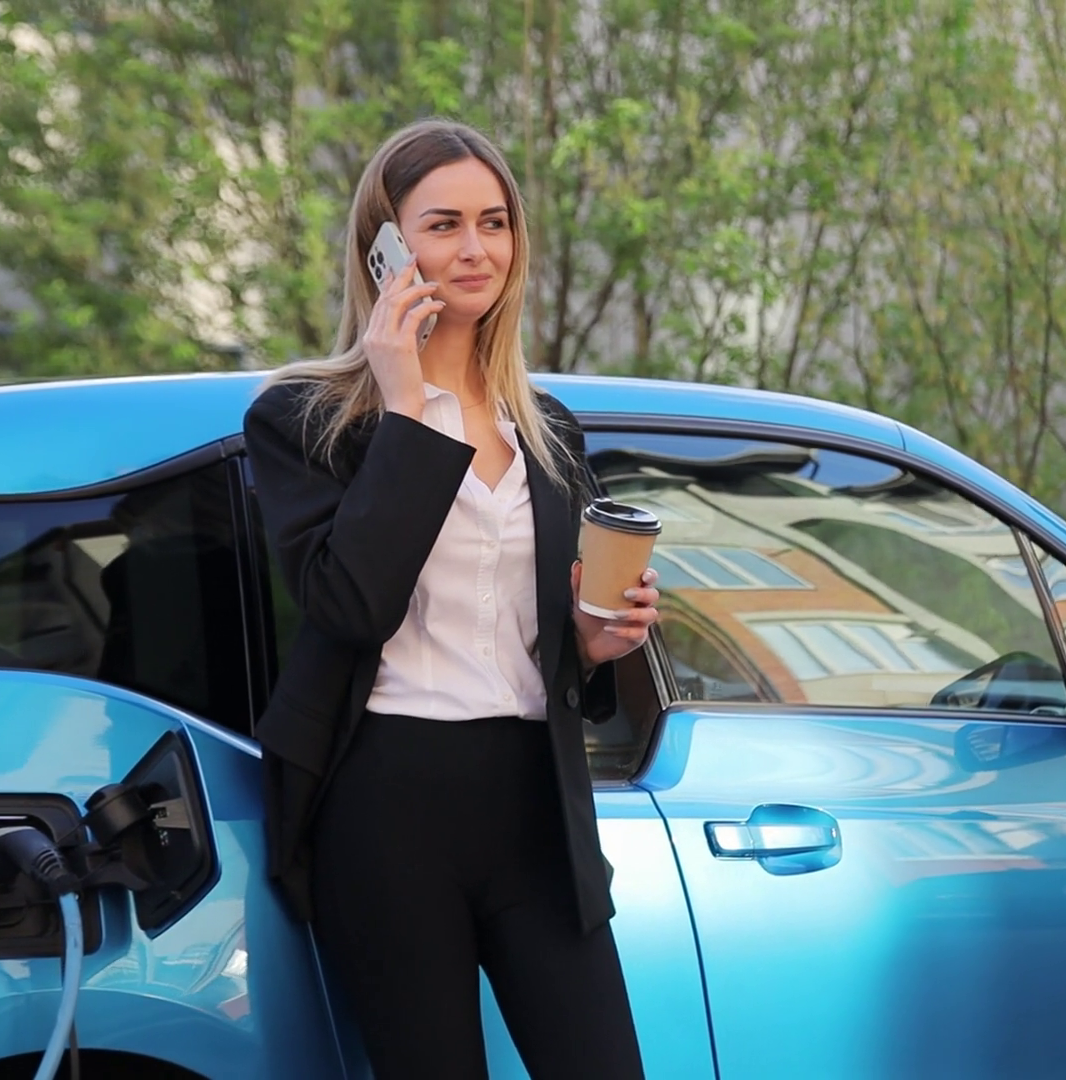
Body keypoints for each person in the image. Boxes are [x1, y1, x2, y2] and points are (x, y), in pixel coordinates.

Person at [242, 118, 658, 1080]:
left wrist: (596, 641)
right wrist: (409, 407)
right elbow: (349, 606)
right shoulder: (303, 418)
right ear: (384, 249)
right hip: (386, 805)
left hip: (535, 801)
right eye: (443, 225)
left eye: (494, 222)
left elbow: (547, 638)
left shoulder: (547, 428)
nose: (476, 249)